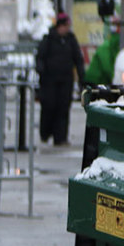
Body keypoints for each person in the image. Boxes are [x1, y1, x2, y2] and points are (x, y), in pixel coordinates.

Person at [36, 12, 85, 146]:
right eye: (64, 26)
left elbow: (78, 59)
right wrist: (40, 71)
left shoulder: (71, 40)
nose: (66, 29)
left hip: (65, 81)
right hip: (49, 81)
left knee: (63, 109)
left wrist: (82, 78)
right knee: (49, 107)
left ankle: (61, 137)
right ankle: (45, 133)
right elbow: (40, 57)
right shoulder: (48, 39)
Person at [84, 19, 121, 87]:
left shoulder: (111, 45)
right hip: (95, 81)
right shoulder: (108, 46)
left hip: (97, 80)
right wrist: (117, 80)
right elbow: (107, 67)